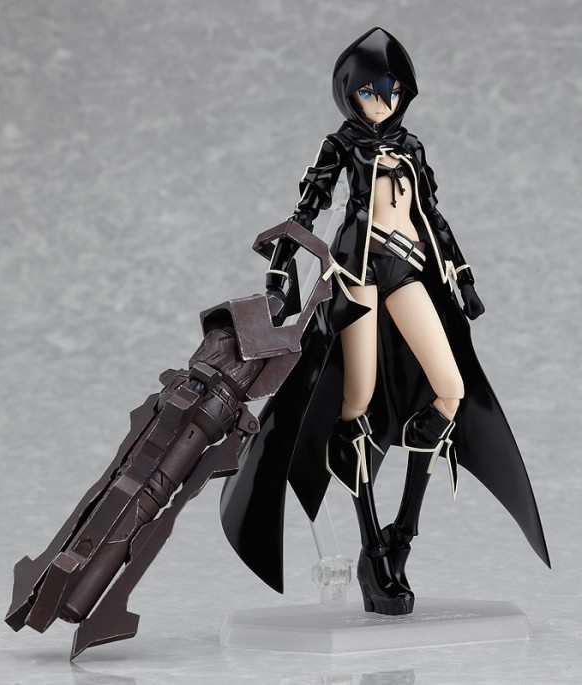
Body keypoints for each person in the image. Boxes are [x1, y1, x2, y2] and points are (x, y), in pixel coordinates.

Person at [220, 27, 550, 616]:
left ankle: (404, 530)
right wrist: (278, 268)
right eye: (371, 92)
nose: (382, 102)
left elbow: (433, 217)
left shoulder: (411, 146)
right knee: (357, 400)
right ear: (350, 92)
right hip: (358, 272)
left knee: (450, 388)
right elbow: (308, 208)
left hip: (409, 267)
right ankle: (372, 546)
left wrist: (463, 277)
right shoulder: (341, 145)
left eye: (392, 91)